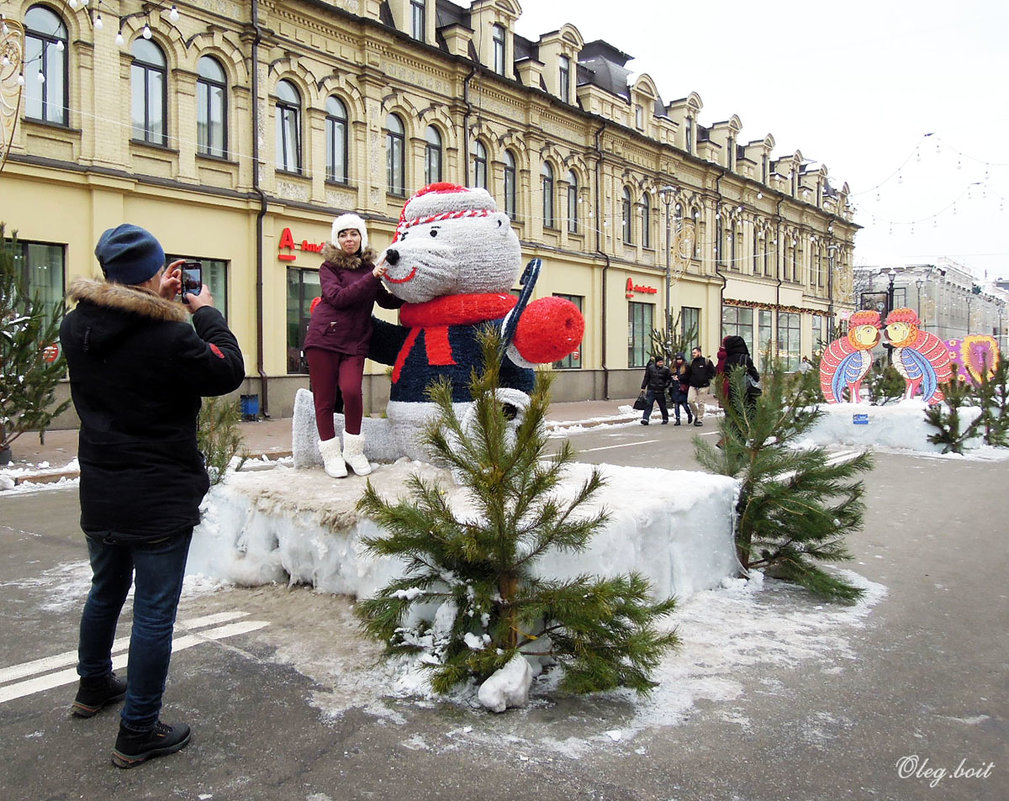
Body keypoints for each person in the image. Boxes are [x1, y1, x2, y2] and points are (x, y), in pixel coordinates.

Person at [60, 224, 245, 768]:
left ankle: (93, 685)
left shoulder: (77, 326)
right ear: (154, 273)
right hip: (158, 491)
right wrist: (202, 310)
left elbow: (126, 333)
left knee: (105, 589)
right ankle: (138, 729)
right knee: (154, 613)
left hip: (102, 484)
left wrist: (154, 302)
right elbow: (226, 370)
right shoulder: (170, 335)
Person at [303, 213, 403, 478]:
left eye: (354, 233)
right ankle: (331, 454)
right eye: (343, 234)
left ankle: (353, 450)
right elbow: (338, 298)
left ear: (362, 237)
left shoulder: (369, 270)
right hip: (324, 338)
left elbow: (385, 301)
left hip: (355, 341)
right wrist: (372, 276)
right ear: (337, 239)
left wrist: (417, 298)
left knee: (351, 392)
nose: (349, 239)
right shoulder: (329, 268)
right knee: (324, 400)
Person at [718, 335, 761, 409]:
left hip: (729, 390)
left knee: (731, 415)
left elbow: (722, 373)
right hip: (745, 392)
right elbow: (755, 376)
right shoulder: (745, 358)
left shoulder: (726, 358)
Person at [685, 346, 715, 426]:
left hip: (704, 386)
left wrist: (707, 378)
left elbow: (713, 372)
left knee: (701, 403)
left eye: (694, 353)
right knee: (690, 400)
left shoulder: (706, 361)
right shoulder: (691, 363)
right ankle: (696, 415)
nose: (693, 354)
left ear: (699, 352)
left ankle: (699, 419)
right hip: (693, 385)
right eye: (692, 353)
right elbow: (687, 374)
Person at [639, 355, 672, 424]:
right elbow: (646, 378)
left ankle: (665, 418)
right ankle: (645, 418)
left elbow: (669, 379)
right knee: (649, 404)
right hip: (651, 389)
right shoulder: (651, 368)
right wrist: (643, 387)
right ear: (656, 362)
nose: (661, 363)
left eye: (662, 362)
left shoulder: (666, 369)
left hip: (660, 390)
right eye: (659, 362)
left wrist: (665, 386)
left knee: (662, 406)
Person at [669, 353, 692, 425]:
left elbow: (687, 376)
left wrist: (679, 378)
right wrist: (672, 378)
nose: (679, 361)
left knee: (685, 404)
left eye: (680, 359)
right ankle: (678, 419)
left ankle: (689, 414)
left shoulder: (686, 366)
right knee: (676, 405)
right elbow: (670, 375)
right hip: (675, 388)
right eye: (678, 359)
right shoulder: (673, 367)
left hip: (683, 388)